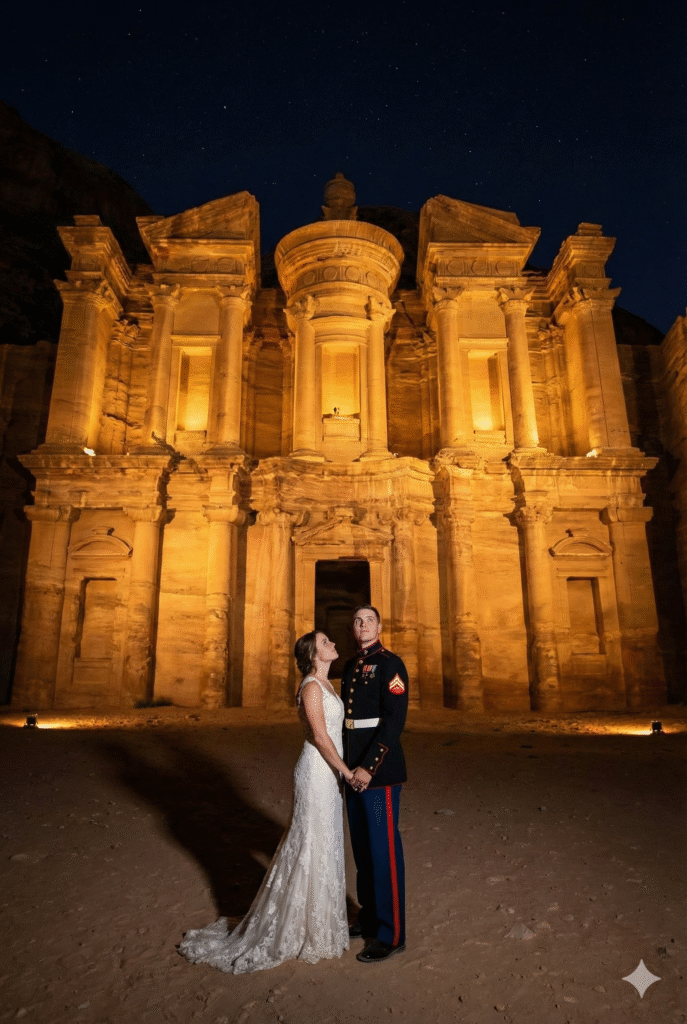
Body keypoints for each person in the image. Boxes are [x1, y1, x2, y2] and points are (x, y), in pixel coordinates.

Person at [179, 631, 362, 973]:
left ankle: (319, 922)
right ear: (312, 655)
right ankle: (299, 927)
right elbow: (321, 736)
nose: (333, 644)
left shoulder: (328, 685)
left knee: (325, 843)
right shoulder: (310, 687)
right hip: (317, 772)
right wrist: (346, 771)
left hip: (330, 773)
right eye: (325, 642)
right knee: (309, 842)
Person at [342, 604, 409, 963]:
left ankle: (391, 933)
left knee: (384, 853)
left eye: (369, 620)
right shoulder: (352, 666)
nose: (363, 625)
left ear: (380, 626)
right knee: (364, 851)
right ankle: (369, 917)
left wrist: (368, 767)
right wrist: (346, 768)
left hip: (378, 775)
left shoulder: (390, 664)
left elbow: (392, 722)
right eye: (357, 620)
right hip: (352, 772)